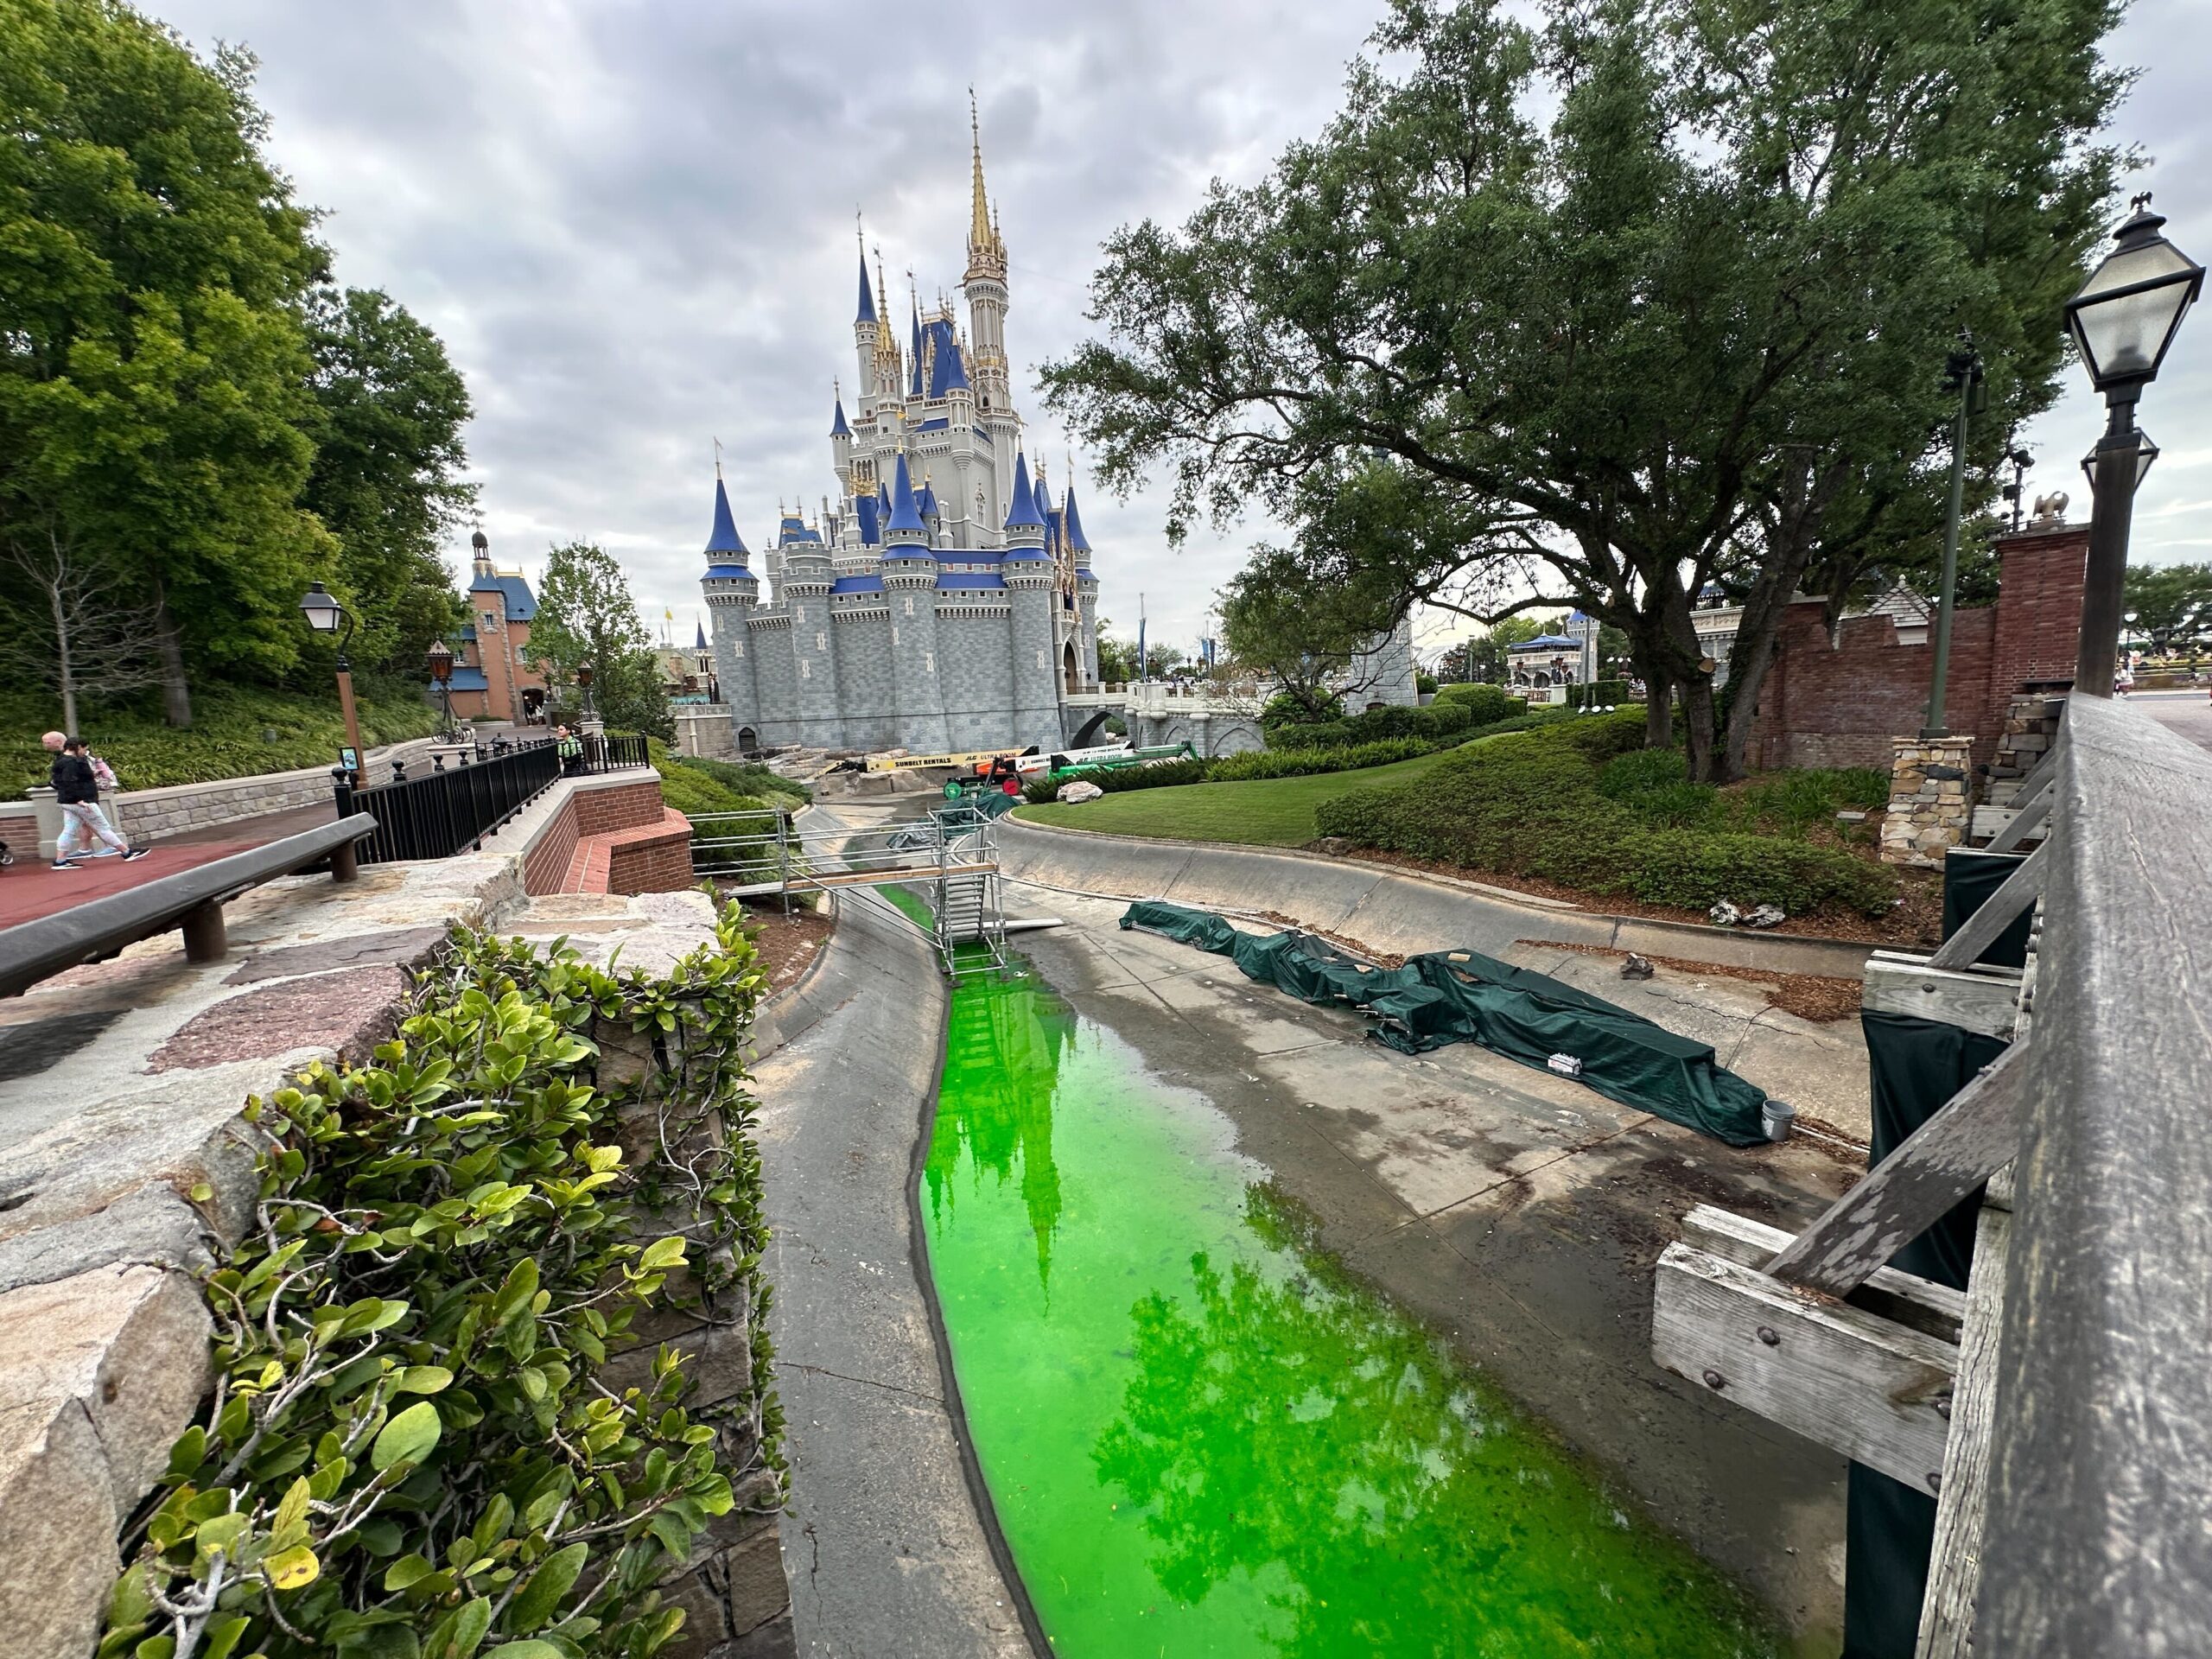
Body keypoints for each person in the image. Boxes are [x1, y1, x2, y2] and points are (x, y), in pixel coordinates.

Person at [46, 732, 146, 870]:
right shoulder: (71, 763)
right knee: (103, 827)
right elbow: (70, 782)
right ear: (78, 747)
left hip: (67, 802)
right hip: (83, 802)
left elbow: (57, 782)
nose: (85, 752)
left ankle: (60, 861)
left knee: (69, 830)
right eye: (84, 749)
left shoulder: (61, 760)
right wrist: (79, 800)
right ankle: (127, 852)